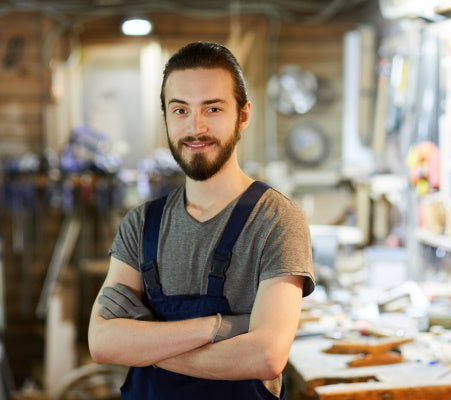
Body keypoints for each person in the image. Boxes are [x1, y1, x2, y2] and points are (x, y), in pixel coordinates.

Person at [88, 41, 315, 400]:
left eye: (212, 108)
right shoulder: (140, 224)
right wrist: (221, 327)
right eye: (180, 110)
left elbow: (266, 356)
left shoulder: (277, 220)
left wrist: (147, 344)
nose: (195, 127)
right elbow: (102, 343)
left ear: (243, 116)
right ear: (165, 117)